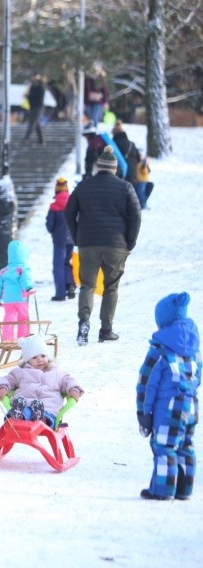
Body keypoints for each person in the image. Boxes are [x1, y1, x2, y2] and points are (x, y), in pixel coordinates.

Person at [64, 146, 141, 346]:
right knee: (111, 287)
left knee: (87, 285)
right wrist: (129, 242)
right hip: (116, 245)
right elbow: (136, 216)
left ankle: (84, 322)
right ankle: (106, 329)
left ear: (99, 167)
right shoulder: (125, 188)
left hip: (88, 243)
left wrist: (77, 236)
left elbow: (69, 213)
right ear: (115, 168)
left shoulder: (83, 186)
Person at [136, 292, 201, 500]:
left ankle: (162, 490)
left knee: (164, 447)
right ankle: (184, 489)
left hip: (169, 406)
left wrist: (143, 412)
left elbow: (146, 384)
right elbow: (197, 377)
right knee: (184, 445)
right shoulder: (193, 349)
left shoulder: (160, 350)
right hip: (191, 405)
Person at [0, 335, 84, 427]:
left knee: (46, 415)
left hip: (48, 408)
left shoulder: (57, 373)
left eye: (43, 356)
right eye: (34, 357)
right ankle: (18, 416)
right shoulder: (21, 372)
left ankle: (40, 419)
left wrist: (74, 389)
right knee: (25, 412)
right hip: (25, 405)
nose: (40, 359)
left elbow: (68, 381)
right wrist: (2, 387)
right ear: (27, 361)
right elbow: (7, 379)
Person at [0, 240, 35, 341]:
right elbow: (25, 280)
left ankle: (7, 339)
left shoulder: (4, 271)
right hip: (21, 299)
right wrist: (29, 288)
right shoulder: (23, 269)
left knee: (9, 318)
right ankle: (24, 339)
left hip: (8, 300)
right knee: (23, 319)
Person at [45, 177, 76, 301]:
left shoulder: (54, 206)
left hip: (59, 240)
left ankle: (60, 293)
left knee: (58, 266)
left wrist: (54, 232)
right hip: (71, 239)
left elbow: (49, 225)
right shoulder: (73, 203)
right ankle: (70, 284)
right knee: (67, 263)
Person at [112, 121, 140, 189]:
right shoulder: (131, 144)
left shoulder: (113, 145)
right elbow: (138, 159)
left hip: (119, 174)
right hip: (132, 173)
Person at [23, 73, 45, 144]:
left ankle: (27, 138)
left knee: (32, 122)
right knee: (36, 123)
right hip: (32, 106)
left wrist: (29, 95)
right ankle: (41, 140)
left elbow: (37, 95)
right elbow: (30, 95)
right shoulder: (32, 86)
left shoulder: (40, 86)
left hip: (38, 107)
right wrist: (27, 96)